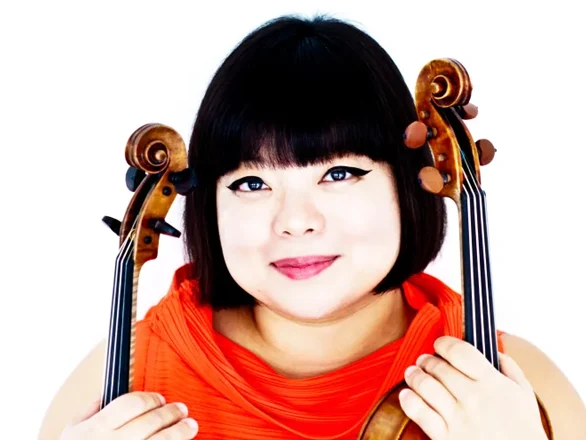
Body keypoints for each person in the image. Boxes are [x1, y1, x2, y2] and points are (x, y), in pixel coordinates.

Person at [39, 14, 584, 440]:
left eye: (339, 173)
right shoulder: (118, 381)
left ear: (410, 181)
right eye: (251, 184)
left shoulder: (513, 385)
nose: (296, 222)